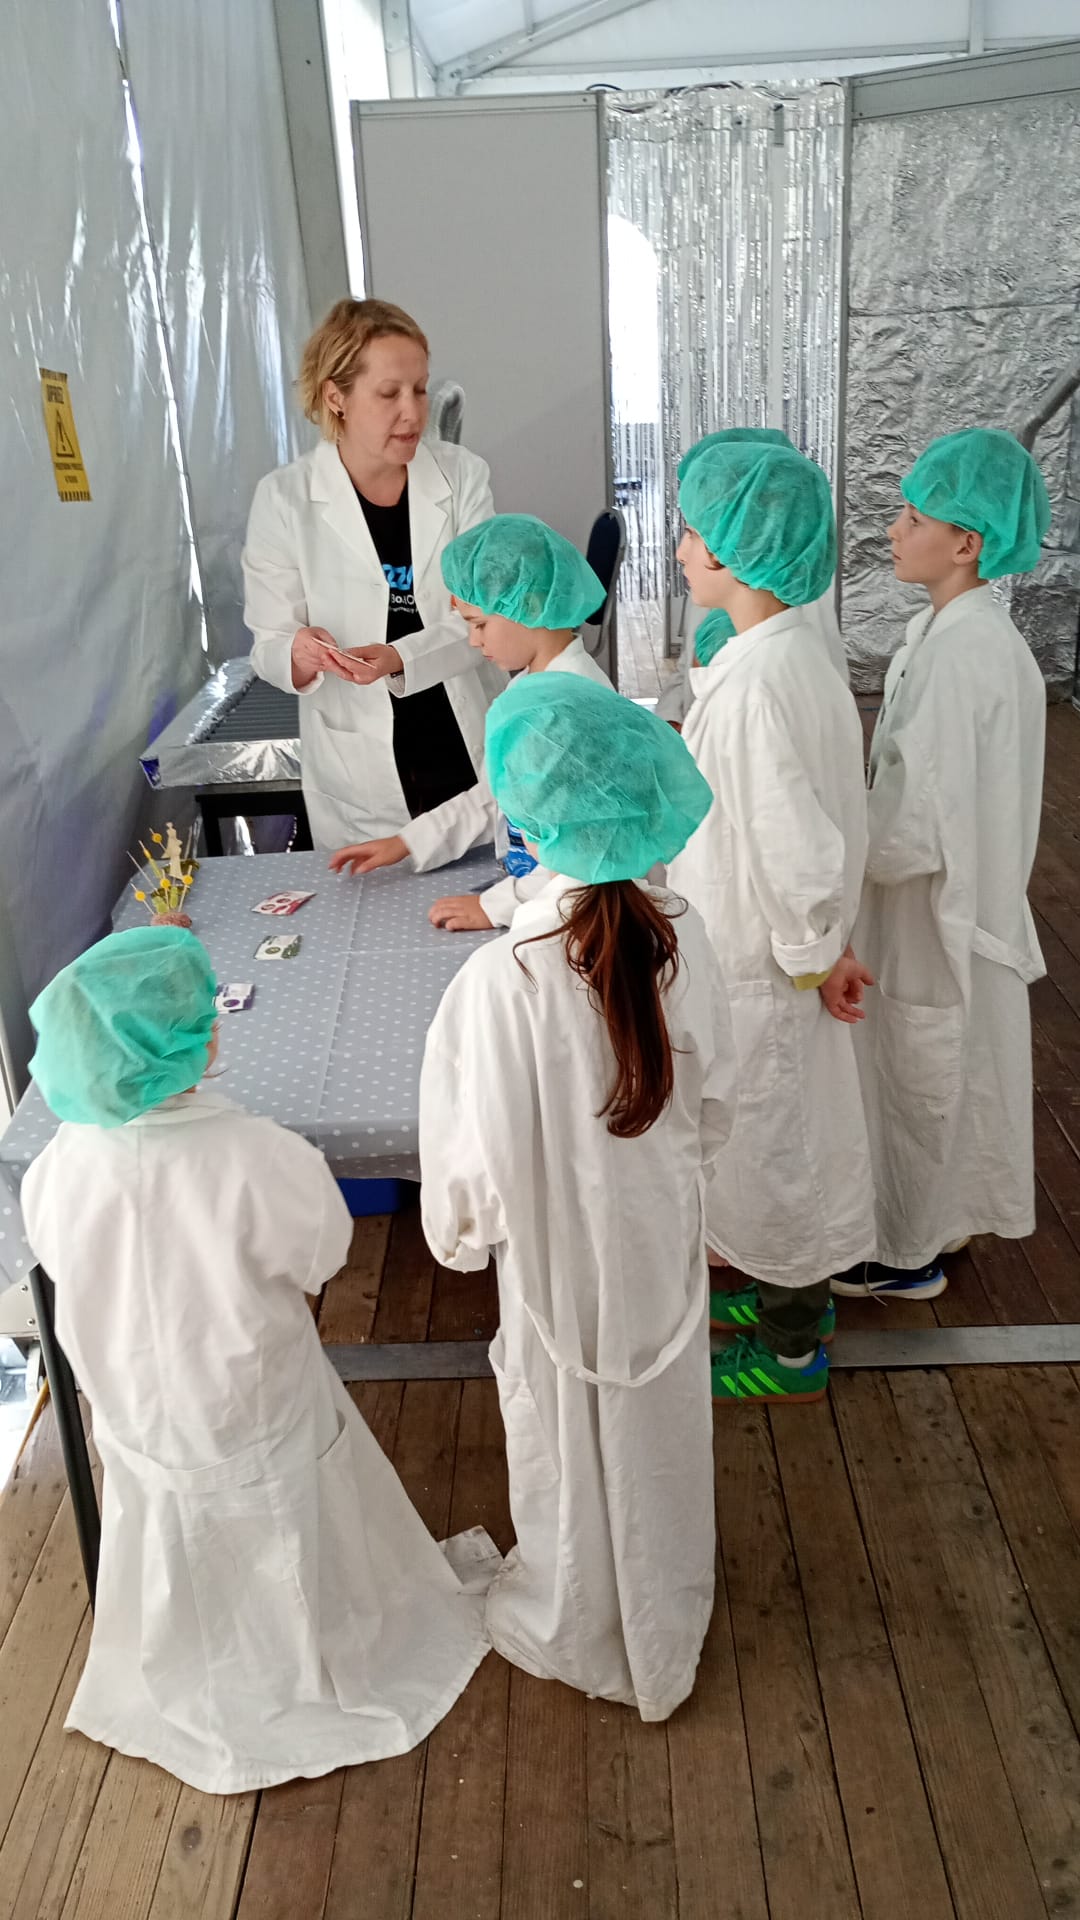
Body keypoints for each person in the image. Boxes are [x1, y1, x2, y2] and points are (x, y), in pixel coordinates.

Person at [20, 926, 495, 1795]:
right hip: (253, 1404)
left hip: (135, 1413)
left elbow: (59, 1259)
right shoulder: (258, 1156)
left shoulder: (55, 1166)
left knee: (180, 1535)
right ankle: (308, 1677)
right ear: (200, 1045)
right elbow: (323, 1253)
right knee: (287, 1527)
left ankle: (197, 1672)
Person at [419, 672, 736, 1721]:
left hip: (551, 1274)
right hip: (657, 1248)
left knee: (559, 1440)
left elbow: (464, 1190)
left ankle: (576, 1607)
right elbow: (718, 1104)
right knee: (657, 1439)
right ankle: (663, 1601)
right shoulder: (682, 937)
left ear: (525, 816)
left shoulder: (499, 981)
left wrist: (470, 1239)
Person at [667, 435, 875, 1400]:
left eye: (692, 533)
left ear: (734, 551)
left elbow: (794, 849)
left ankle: (793, 1352)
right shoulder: (789, 657)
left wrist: (813, 956)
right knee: (772, 1150)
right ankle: (790, 1295)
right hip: (778, 956)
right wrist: (824, 944)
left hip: (770, 969)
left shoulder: (757, 686)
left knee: (778, 1153)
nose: (680, 550)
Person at [835, 428, 1051, 1302]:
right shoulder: (948, 632)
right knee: (939, 1075)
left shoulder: (966, 655)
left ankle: (904, 1257)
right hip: (946, 908)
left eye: (915, 517)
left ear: (968, 543)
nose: (894, 530)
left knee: (920, 1076)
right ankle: (938, 1220)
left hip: (937, 911)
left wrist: (830, 843)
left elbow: (913, 827)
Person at [242, 298, 506, 849]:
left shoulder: (462, 477)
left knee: (489, 889)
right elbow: (269, 643)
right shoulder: (284, 499)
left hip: (463, 741)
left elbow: (487, 618)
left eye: (420, 389)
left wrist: (398, 657)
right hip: (359, 771)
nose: (413, 412)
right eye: (389, 393)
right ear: (335, 397)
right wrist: (299, 652)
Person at [328, 513, 611, 932]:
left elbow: (584, 853)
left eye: (479, 624)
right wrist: (409, 841)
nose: (474, 641)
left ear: (531, 606)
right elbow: (498, 796)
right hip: (537, 898)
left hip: (569, 915)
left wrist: (496, 907)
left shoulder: (572, 708)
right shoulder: (533, 686)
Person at [657, 428, 849, 730]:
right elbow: (688, 664)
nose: (680, 553)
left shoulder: (757, 695)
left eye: (694, 532)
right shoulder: (716, 584)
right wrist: (674, 720)